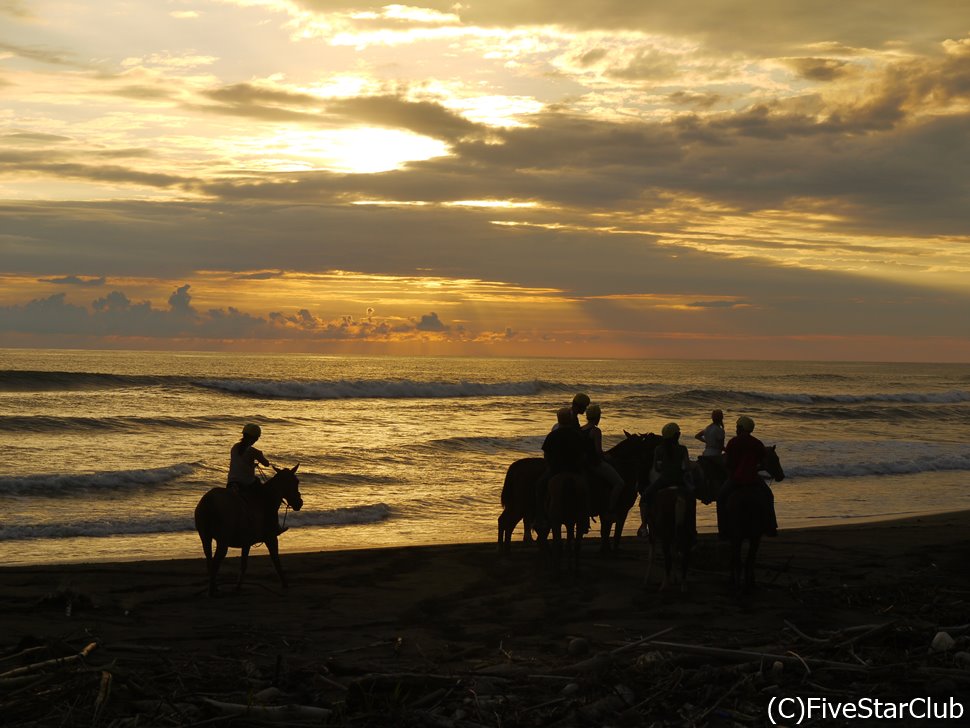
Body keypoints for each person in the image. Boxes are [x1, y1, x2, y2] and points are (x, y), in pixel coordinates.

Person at [718, 415, 778, 537]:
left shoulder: (733, 442)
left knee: (721, 498)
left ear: (741, 428)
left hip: (736, 479)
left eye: (737, 427)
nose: (736, 429)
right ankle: (771, 526)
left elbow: (727, 463)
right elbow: (762, 462)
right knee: (768, 496)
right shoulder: (757, 443)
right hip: (753, 479)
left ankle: (723, 530)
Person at [535, 407, 592, 531]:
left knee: (540, 487)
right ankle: (584, 521)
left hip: (555, 470)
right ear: (570, 420)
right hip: (574, 470)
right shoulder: (577, 435)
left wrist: (551, 464)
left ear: (558, 420)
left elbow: (546, 455)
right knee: (587, 489)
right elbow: (583, 454)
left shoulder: (552, 435)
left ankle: (541, 518)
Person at [227, 423, 287, 536]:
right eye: (257, 438)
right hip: (247, 483)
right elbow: (266, 464)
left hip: (232, 482)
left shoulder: (234, 447)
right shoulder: (254, 451)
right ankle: (274, 527)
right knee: (269, 500)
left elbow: (240, 463)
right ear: (255, 438)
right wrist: (260, 456)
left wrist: (251, 465)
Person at [581, 404, 626, 520]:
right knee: (619, 483)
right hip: (594, 464)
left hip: (583, 464)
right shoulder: (596, 431)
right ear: (597, 417)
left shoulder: (581, 429)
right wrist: (607, 457)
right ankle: (610, 510)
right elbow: (598, 451)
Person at [640, 422, 692, 511]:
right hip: (679, 481)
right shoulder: (683, 449)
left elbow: (657, 468)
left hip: (663, 480)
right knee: (691, 496)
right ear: (677, 435)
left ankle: (644, 523)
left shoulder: (658, 449)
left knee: (644, 497)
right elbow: (687, 467)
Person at [694, 409, 727, 502]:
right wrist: (727, 450)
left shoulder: (707, 428)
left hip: (705, 453)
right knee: (725, 471)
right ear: (721, 418)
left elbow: (697, 436)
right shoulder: (720, 430)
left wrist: (707, 442)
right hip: (715, 455)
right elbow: (721, 447)